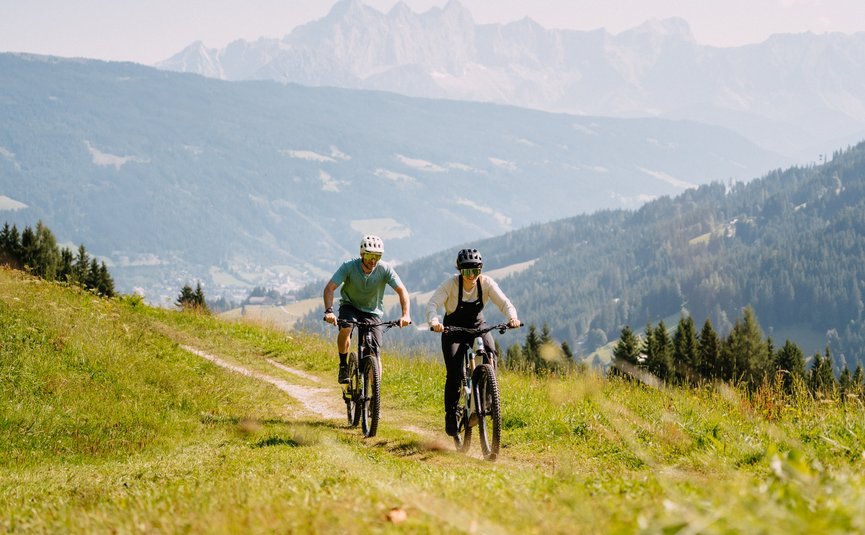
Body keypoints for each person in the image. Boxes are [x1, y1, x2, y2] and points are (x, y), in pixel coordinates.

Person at [426, 248, 520, 436]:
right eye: (467, 271)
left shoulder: (486, 283)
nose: (471, 276)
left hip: (478, 326)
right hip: (453, 329)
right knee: (454, 372)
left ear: (481, 270)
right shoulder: (450, 284)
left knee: (491, 353)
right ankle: (451, 414)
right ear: (460, 270)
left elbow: (504, 302)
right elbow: (432, 304)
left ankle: (486, 397)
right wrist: (434, 322)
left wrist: (512, 318)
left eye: (476, 271)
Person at [323, 235, 412, 384]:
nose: (373, 260)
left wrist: (406, 315)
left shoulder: (384, 269)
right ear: (362, 254)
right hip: (350, 305)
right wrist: (329, 311)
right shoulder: (349, 266)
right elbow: (329, 288)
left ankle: (374, 395)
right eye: (370, 255)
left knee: (375, 352)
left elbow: (402, 290)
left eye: (377, 256)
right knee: (346, 327)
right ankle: (343, 365)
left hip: (372, 311)